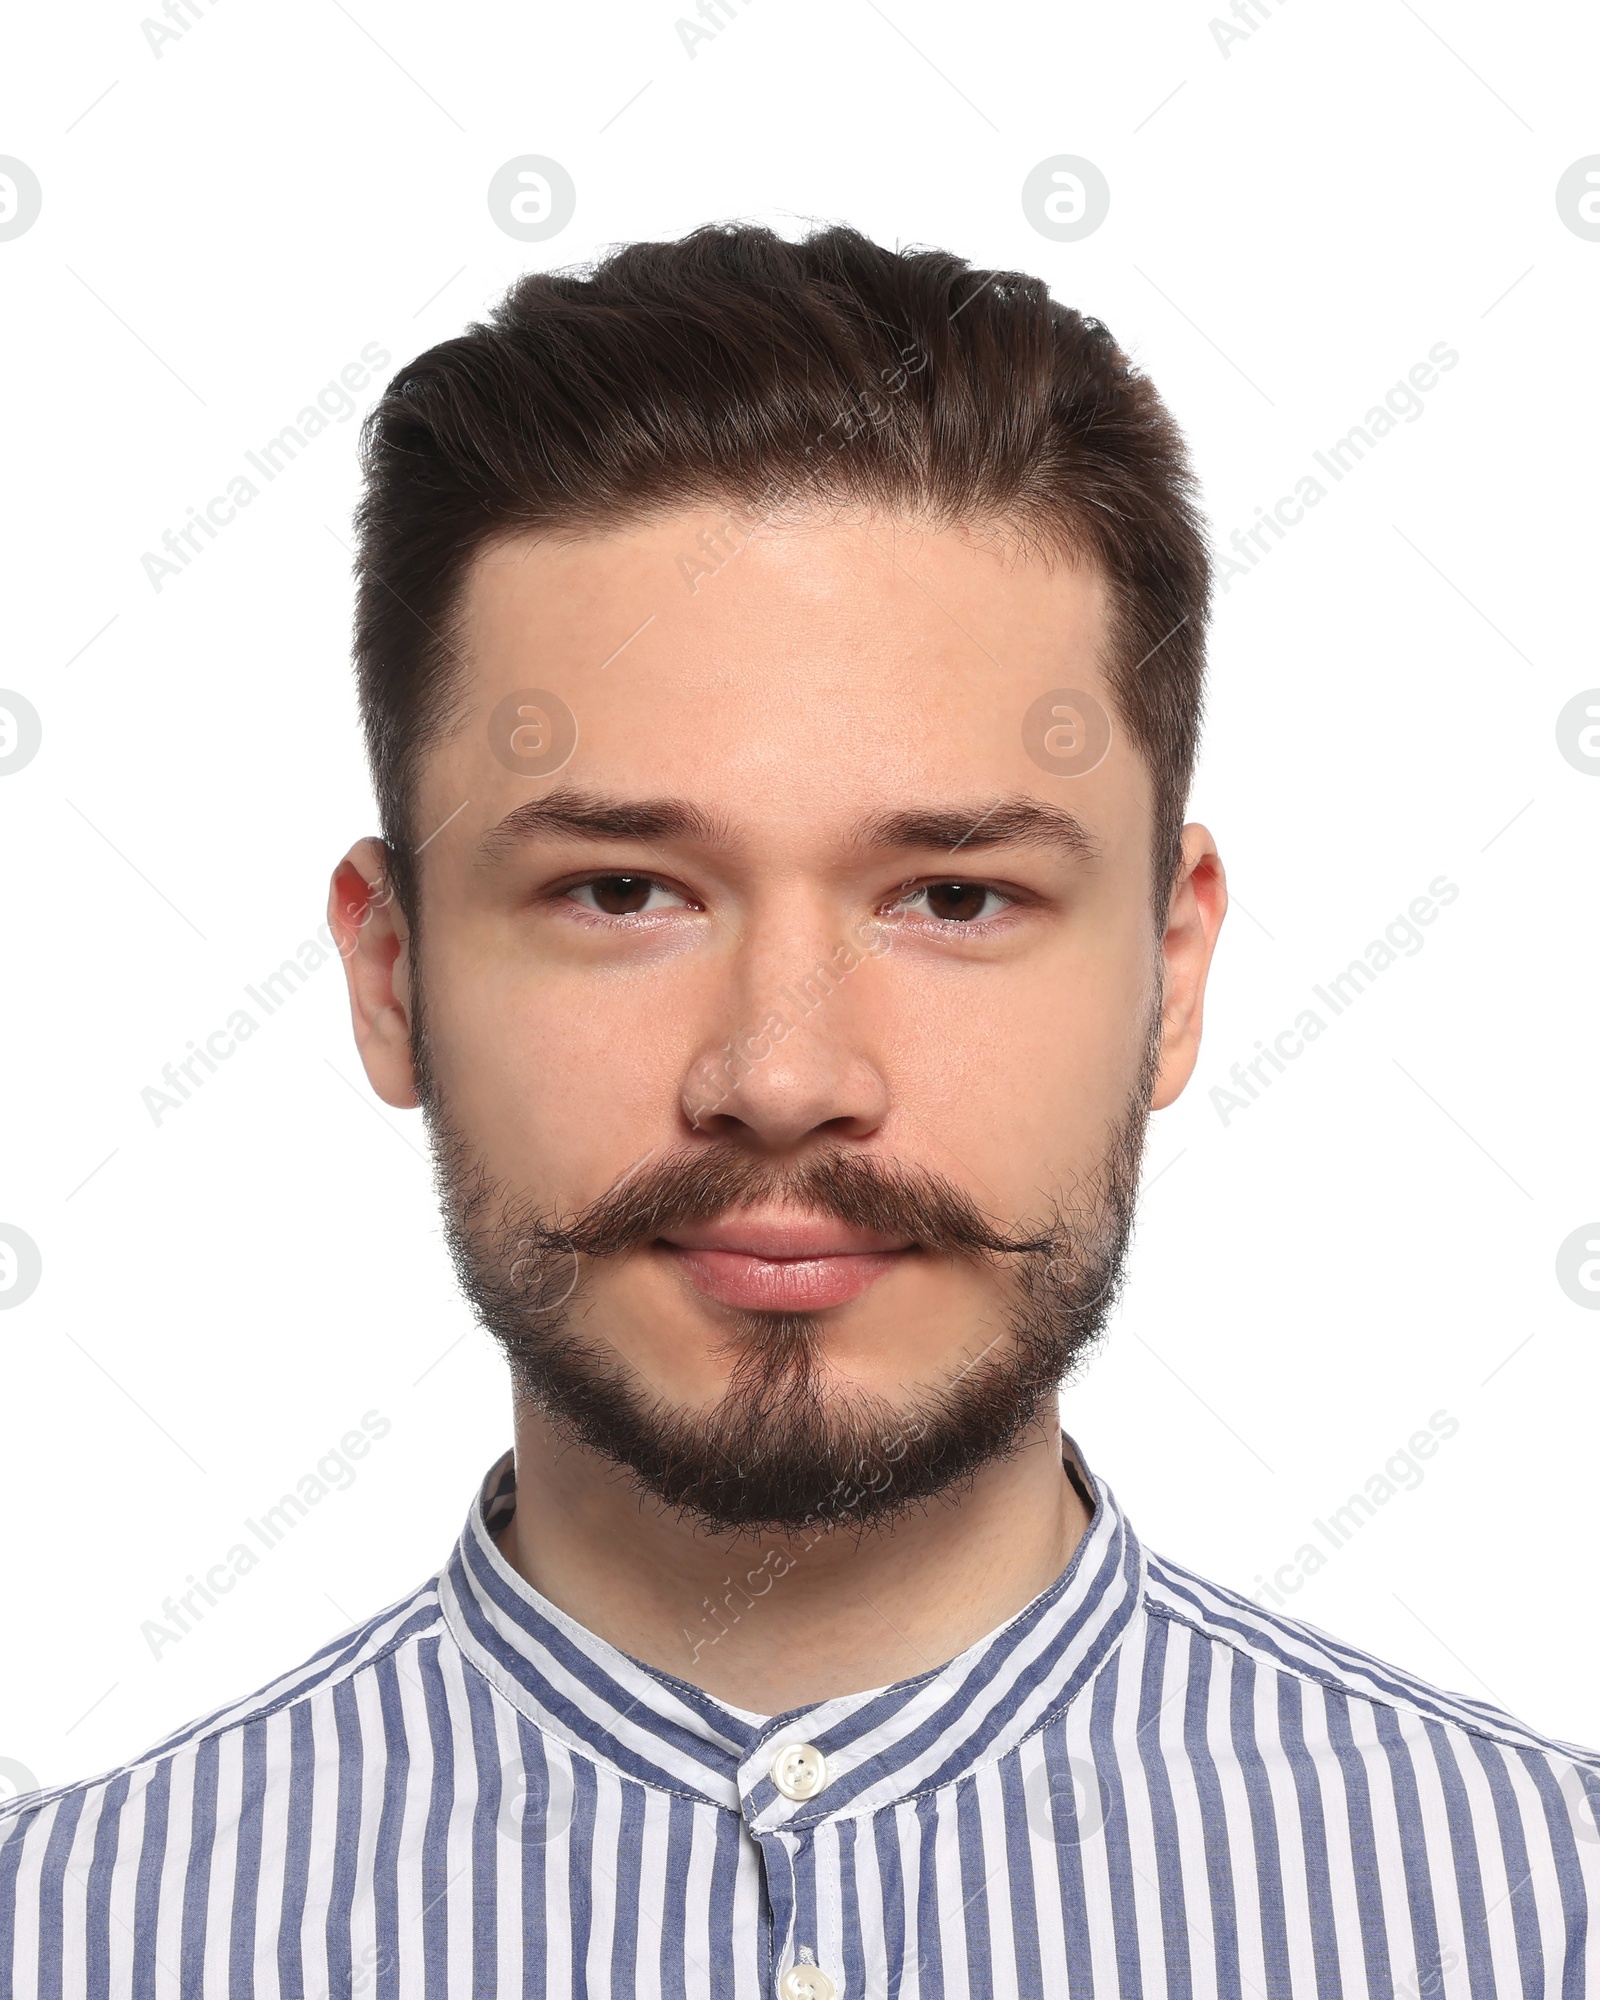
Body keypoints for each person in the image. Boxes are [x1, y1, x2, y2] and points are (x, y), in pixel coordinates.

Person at [3, 222, 1595, 1999]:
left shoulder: (1551, 1911)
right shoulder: (60, 1935)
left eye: (955, 897)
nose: (780, 1077)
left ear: (1176, 972)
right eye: (622, 892)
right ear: (392, 977)